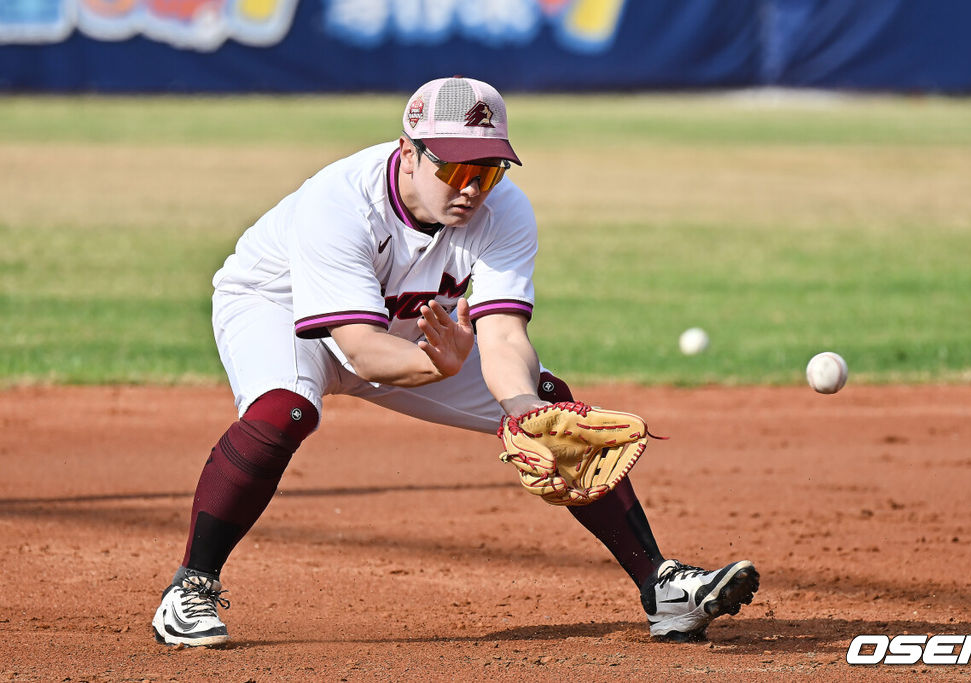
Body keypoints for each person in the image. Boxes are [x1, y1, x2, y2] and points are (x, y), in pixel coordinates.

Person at [150, 76, 759, 647]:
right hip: (280, 311)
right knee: (285, 413)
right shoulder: (337, 202)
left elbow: (501, 335)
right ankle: (190, 587)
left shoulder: (504, 211)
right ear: (407, 152)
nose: (472, 186)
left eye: (488, 169)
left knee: (551, 408)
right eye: (457, 166)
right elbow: (360, 352)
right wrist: (437, 368)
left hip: (406, 332)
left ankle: (663, 589)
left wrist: (523, 410)